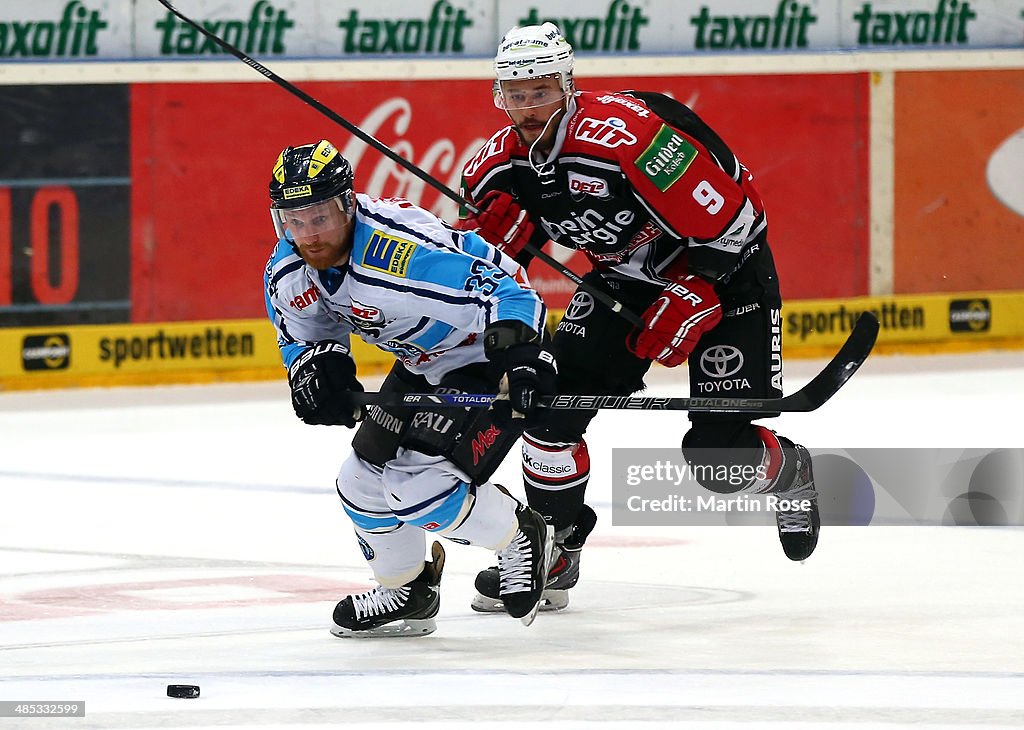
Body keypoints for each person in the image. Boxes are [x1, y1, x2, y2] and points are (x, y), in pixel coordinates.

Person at [457, 24, 819, 613]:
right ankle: (554, 548)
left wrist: (696, 290)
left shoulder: (631, 140)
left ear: (569, 88)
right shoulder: (495, 168)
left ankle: (791, 472)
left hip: (729, 272)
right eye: (514, 92)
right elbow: (488, 264)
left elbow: (739, 223)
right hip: (623, 280)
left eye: (541, 90)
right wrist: (500, 247)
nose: (527, 106)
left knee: (717, 458)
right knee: (548, 413)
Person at [263, 139, 560, 636]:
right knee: (360, 481)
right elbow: (304, 335)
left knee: (418, 489)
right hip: (422, 361)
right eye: (294, 219)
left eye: (320, 217)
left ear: (348, 205)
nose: (308, 234)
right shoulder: (290, 270)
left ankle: (521, 534)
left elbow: (509, 289)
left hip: (486, 352)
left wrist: (525, 358)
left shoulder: (397, 257)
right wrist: (315, 371)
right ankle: (407, 591)